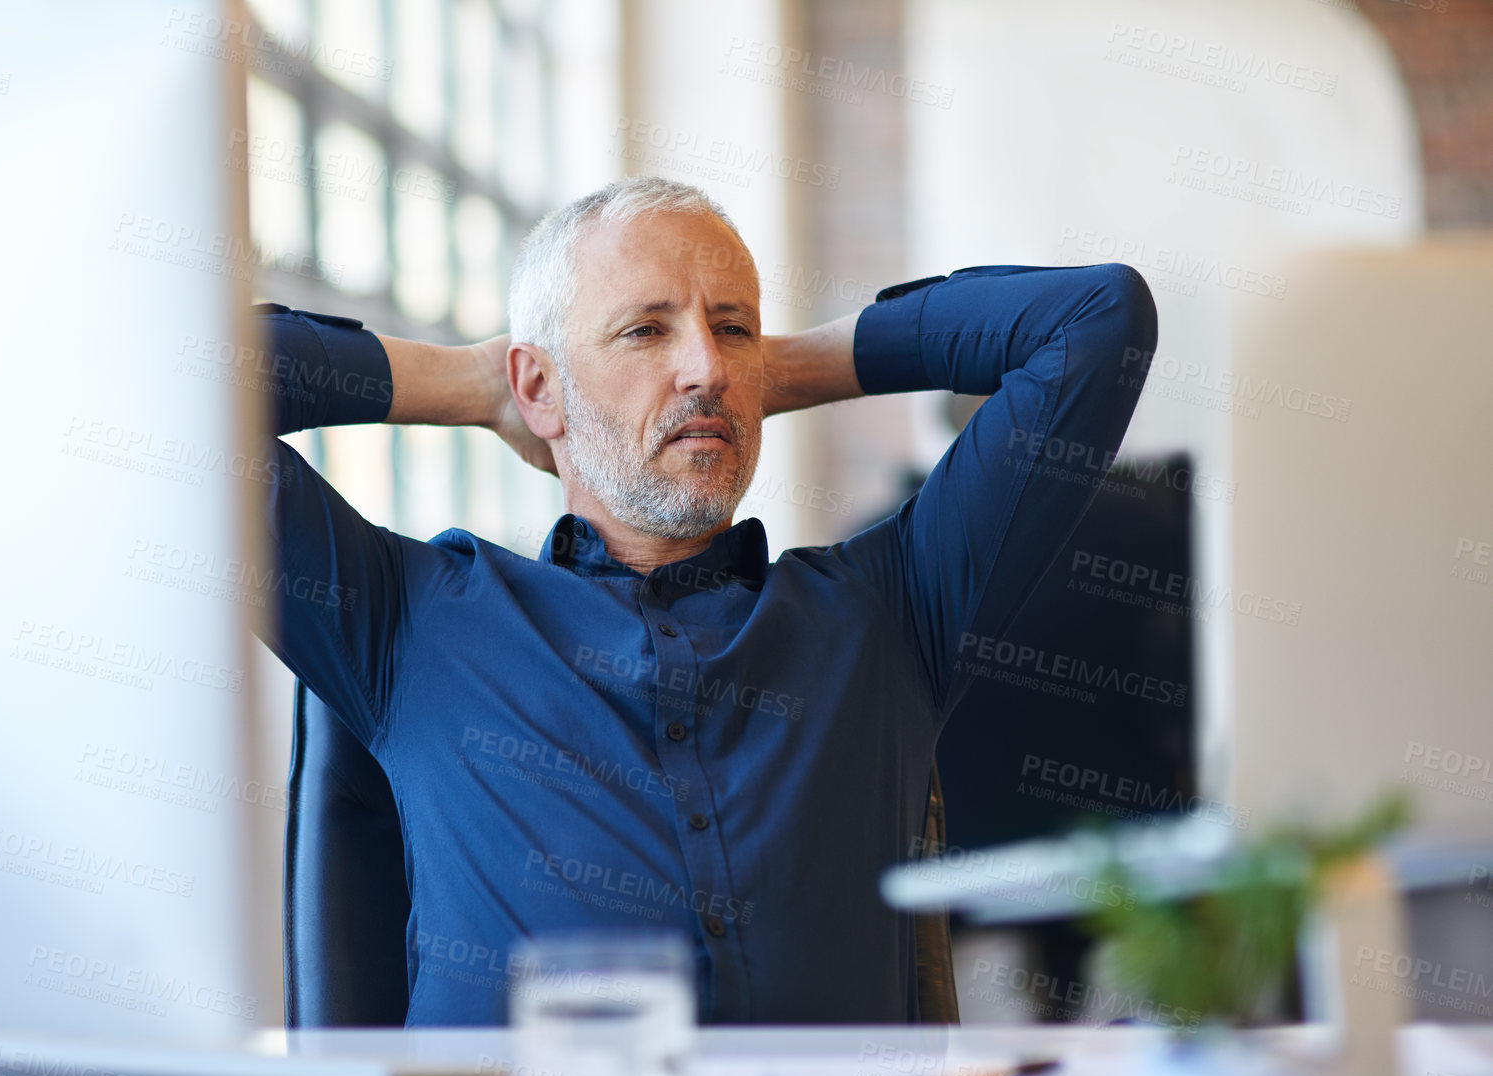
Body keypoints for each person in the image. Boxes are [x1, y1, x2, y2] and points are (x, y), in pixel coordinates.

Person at [253, 176, 1158, 1026]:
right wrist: (472, 385)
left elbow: (1094, 319)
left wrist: (782, 368)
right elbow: (160, 370)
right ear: (539, 385)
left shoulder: (891, 607)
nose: (705, 369)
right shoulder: (409, 625)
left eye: (732, 328)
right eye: (646, 331)